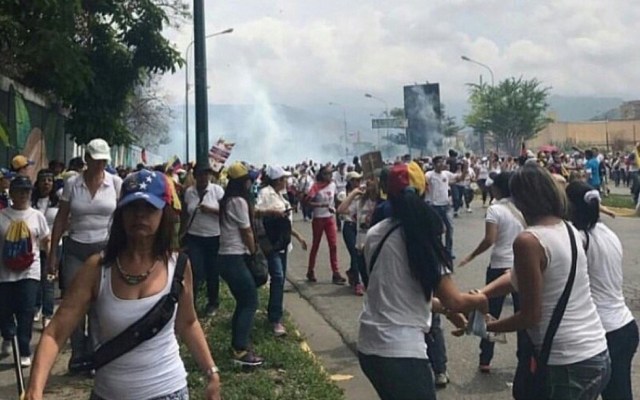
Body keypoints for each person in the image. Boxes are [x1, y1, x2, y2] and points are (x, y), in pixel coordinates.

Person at [24, 169, 221, 400]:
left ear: (163, 213)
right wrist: (35, 389)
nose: (140, 215)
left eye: (149, 208)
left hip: (168, 391)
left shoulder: (178, 266)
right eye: (132, 207)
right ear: (121, 213)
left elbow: (188, 322)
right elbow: (55, 332)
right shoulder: (97, 269)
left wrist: (212, 372)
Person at [357, 162, 487, 400]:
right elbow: (455, 299)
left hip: (369, 347)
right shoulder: (423, 233)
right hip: (401, 351)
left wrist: (448, 311)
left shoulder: (375, 233)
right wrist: (480, 300)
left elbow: (400, 293)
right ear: (424, 189)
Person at [480, 164, 610, 400]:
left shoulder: (528, 240)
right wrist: (482, 294)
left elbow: (530, 316)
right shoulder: (569, 229)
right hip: (595, 352)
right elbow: (517, 277)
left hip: (566, 361)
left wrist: (487, 326)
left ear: (518, 199)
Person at [47, 138, 123, 373]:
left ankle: (97, 352)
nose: (100, 165)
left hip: (104, 246)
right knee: (74, 302)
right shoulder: (72, 184)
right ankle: (79, 353)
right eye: (96, 160)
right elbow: (61, 217)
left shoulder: (115, 183)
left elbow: (121, 218)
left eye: (103, 161)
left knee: (100, 303)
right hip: (76, 247)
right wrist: (53, 253)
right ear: (87, 160)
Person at [566, 181, 638, 400]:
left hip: (604, 331)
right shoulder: (606, 232)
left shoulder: (579, 239)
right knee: (619, 393)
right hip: (624, 326)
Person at [458, 172, 524, 373]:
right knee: (522, 314)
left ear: (497, 188)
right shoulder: (523, 207)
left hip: (498, 266)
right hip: (521, 265)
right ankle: (525, 358)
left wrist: (471, 256)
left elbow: (490, 239)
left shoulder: (495, 209)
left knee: (489, 313)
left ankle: (485, 359)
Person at [0, 176, 50, 367]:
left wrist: (51, 261)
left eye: (26, 191)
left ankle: (24, 349)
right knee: (4, 310)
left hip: (30, 271)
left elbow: (46, 240)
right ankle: (7, 334)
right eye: (19, 191)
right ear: (11, 193)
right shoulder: (2, 216)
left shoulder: (36, 216)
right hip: (4, 272)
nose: (23, 195)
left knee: (26, 311)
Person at [218, 162, 264, 366]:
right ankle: (240, 349)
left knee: (243, 300)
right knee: (250, 301)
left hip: (227, 256)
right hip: (234, 255)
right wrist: (254, 251)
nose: (250, 182)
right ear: (242, 182)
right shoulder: (239, 201)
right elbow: (246, 231)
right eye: (248, 179)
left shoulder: (228, 200)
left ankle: (238, 343)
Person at [255, 165, 307, 336]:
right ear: (277, 180)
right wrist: (270, 211)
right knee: (277, 277)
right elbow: (255, 212)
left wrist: (298, 236)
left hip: (283, 242)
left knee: (280, 279)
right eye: (284, 178)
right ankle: (276, 319)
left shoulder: (280, 195)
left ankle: (274, 313)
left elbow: (284, 222)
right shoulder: (266, 193)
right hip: (272, 244)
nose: (286, 181)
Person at [180, 164, 224, 316]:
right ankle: (191, 303)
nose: (203, 177)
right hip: (194, 237)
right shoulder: (189, 192)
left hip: (213, 236)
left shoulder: (217, 191)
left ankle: (213, 302)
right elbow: (185, 215)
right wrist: (181, 234)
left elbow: (226, 212)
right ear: (195, 176)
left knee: (213, 271)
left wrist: (210, 210)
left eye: (206, 175)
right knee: (195, 271)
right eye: (200, 175)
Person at [337, 175, 379, 294]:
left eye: (372, 181)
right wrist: (354, 193)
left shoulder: (380, 202)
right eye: (368, 182)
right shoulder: (360, 201)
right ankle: (358, 283)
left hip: (374, 244)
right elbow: (341, 210)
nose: (368, 184)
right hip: (361, 243)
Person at [305, 164, 346, 284]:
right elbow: (308, 202)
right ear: (322, 175)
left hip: (329, 218)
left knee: (333, 246)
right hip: (318, 218)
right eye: (327, 174)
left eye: (331, 173)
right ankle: (310, 270)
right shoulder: (315, 187)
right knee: (315, 245)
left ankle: (336, 272)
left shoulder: (333, 185)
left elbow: (337, 198)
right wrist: (320, 205)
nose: (330, 176)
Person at [31, 169, 60, 329]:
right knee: (36, 280)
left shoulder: (58, 201)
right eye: (43, 180)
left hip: (55, 246)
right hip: (36, 247)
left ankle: (47, 314)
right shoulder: (32, 201)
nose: (46, 183)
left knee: (48, 280)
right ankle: (36, 307)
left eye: (50, 180)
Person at [425, 155, 460, 260]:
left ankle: (448, 251)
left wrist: (466, 168)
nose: (442, 164)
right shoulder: (429, 175)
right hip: (434, 206)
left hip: (446, 206)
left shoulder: (446, 174)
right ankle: (438, 250)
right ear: (434, 164)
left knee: (450, 228)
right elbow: (423, 182)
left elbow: (459, 178)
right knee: (437, 230)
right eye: (439, 162)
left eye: (443, 162)